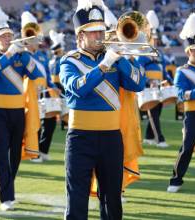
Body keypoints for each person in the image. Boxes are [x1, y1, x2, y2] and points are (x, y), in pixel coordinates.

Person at [59, 0, 146, 219]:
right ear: (80, 36)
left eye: (101, 31)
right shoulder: (69, 61)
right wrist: (105, 64)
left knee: (112, 199)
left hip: (111, 138)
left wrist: (121, 58)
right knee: (77, 197)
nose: (100, 36)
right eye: (93, 32)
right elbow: (79, 88)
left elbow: (138, 83)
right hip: (80, 138)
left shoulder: (115, 59)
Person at [0, 3, 45, 211]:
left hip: (18, 112)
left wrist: (26, 54)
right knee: (1, 154)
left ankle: (8, 186)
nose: (7, 39)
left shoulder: (21, 57)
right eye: (3, 37)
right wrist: (9, 55)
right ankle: (6, 197)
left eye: (9, 36)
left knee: (14, 155)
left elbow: (38, 76)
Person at [167, 13, 195, 193]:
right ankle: (176, 180)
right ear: (188, 51)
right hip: (193, 115)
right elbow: (179, 94)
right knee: (187, 148)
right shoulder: (182, 72)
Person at [20, 12, 60, 162]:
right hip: (28, 94)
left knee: (49, 123)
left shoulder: (42, 55)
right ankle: (32, 152)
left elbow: (47, 76)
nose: (35, 39)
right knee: (31, 123)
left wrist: (52, 87)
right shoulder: (21, 54)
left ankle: (42, 150)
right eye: (31, 35)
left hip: (44, 93)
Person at [136, 10, 172, 148]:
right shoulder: (142, 54)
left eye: (156, 39)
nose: (155, 41)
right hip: (148, 88)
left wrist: (168, 80)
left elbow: (163, 70)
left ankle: (149, 137)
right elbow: (139, 71)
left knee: (158, 111)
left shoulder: (159, 54)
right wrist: (148, 82)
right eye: (152, 38)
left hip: (160, 86)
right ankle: (160, 139)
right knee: (153, 113)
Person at [49, 30, 68, 130]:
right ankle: (64, 123)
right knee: (63, 103)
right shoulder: (58, 60)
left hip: (54, 83)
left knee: (60, 103)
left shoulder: (52, 60)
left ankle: (62, 123)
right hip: (58, 83)